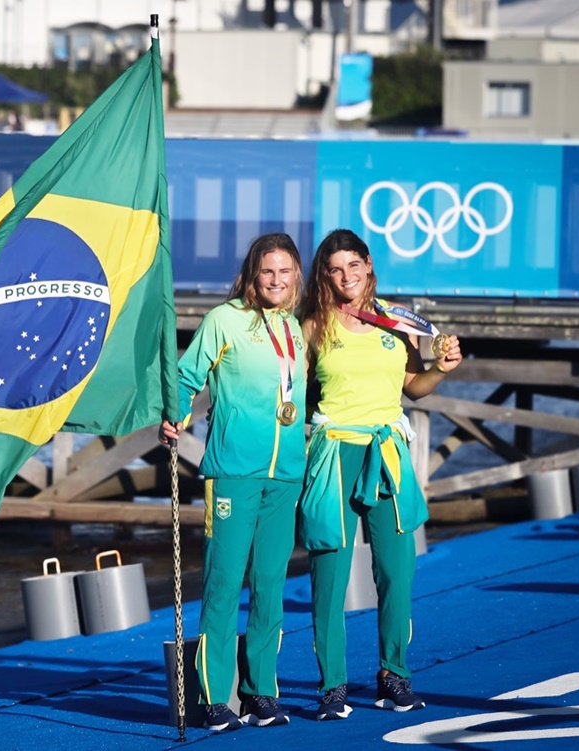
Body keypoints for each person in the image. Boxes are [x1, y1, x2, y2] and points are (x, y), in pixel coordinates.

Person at [296, 228, 463, 722]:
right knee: (329, 575)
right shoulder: (314, 325)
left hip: (388, 454)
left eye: (353, 265)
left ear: (369, 264)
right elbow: (298, 395)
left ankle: (394, 675)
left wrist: (444, 368)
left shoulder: (398, 319)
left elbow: (416, 387)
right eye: (334, 269)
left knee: (396, 573)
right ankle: (332, 686)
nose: (345, 276)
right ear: (324, 276)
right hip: (334, 456)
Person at [160, 233, 307, 732]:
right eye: (268, 271)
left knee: (270, 587)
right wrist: (175, 417)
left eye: (285, 272)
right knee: (224, 585)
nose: (277, 281)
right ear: (253, 273)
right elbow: (186, 376)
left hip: (284, 476)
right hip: (232, 473)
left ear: (295, 278)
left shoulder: (296, 328)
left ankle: (261, 692)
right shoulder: (225, 319)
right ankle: (214, 696)